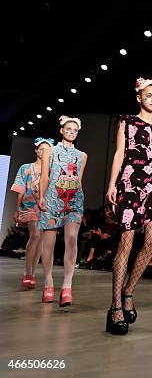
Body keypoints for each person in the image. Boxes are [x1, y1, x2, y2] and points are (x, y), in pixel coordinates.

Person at [105, 77, 152, 335]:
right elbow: (120, 154)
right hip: (129, 185)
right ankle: (115, 307)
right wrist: (112, 185)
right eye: (148, 95)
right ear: (138, 97)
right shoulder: (127, 122)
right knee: (126, 243)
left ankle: (129, 291)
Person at [38, 117, 88, 307]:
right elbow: (45, 176)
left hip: (74, 199)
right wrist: (41, 197)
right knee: (48, 243)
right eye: (68, 129)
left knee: (72, 239)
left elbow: (78, 180)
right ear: (61, 130)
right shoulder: (50, 151)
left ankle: (67, 286)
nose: (71, 132)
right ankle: (48, 283)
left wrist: (78, 197)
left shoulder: (82, 155)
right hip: (52, 198)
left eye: (75, 130)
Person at [11, 137, 55, 289]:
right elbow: (20, 189)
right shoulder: (26, 168)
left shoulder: (52, 169)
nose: (43, 152)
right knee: (35, 235)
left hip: (46, 207)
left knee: (41, 240)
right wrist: (16, 209)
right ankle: (27, 273)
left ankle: (32, 274)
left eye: (47, 149)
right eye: (41, 149)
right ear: (36, 150)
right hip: (29, 205)